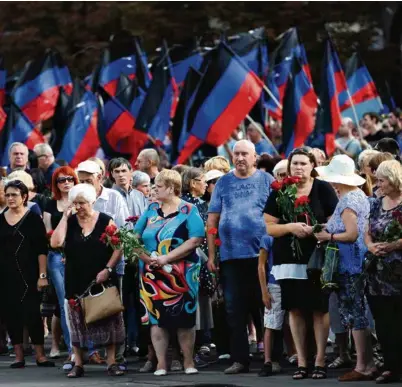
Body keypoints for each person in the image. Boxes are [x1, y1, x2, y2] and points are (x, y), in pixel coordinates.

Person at [264, 147, 338, 380]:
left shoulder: (323, 188)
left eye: (303, 163)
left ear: (312, 165)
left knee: (319, 307)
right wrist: (291, 228)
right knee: (295, 308)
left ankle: (319, 360)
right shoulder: (281, 190)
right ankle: (302, 361)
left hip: (316, 256)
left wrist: (316, 230)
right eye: (294, 163)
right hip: (288, 257)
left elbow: (335, 222)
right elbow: (268, 226)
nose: (298, 167)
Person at [207, 140, 274, 374]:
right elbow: (212, 220)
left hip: (262, 255)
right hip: (231, 255)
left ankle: (271, 358)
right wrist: (212, 254)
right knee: (234, 309)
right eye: (236, 154)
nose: (240, 158)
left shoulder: (267, 180)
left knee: (265, 307)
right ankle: (240, 359)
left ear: (255, 157)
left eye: (245, 153)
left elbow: (277, 215)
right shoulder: (223, 183)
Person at [134, 169, 205, 376]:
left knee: (185, 318)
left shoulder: (188, 210)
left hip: (182, 274)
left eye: (159, 186)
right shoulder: (151, 209)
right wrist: (145, 257)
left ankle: (188, 361)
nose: (154, 189)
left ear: (172, 188)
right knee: (156, 319)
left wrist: (166, 258)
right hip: (151, 276)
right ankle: (161, 363)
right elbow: (133, 237)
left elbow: (196, 239)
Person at [50, 184, 125, 378]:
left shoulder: (106, 220)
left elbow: (118, 246)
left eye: (82, 203)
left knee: (107, 319)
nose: (78, 206)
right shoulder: (70, 221)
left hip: (102, 278)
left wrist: (109, 268)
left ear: (92, 201)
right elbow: (56, 243)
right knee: (76, 323)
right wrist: (65, 218)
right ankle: (78, 362)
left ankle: (111, 362)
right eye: (75, 203)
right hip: (75, 278)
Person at [314, 155, 376, 381]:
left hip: (350, 264)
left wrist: (326, 235)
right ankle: (365, 362)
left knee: (355, 315)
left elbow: (351, 234)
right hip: (356, 262)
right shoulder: (358, 195)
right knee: (357, 314)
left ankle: (363, 365)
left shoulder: (348, 200)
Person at [76, 160, 129, 365]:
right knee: (86, 309)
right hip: (84, 265)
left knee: (112, 308)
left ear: (100, 177)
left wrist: (111, 265)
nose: (85, 183)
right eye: (81, 180)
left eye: (88, 179)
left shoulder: (113, 197)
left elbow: (124, 231)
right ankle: (91, 351)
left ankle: (116, 355)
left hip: (112, 263)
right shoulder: (78, 197)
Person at [0, 180, 54, 368]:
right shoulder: (0, 219)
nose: (10, 198)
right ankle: (18, 355)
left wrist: (42, 275)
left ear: (24, 197)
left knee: (33, 314)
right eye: (7, 195)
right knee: (11, 314)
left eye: (14, 194)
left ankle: (40, 355)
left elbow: (41, 249)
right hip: (6, 275)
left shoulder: (32, 219)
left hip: (30, 273)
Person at [365, 160, 402, 384]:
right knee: (383, 321)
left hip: (399, 271)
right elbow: (367, 232)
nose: (378, 184)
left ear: (395, 179)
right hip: (377, 273)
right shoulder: (377, 203)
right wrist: (370, 246)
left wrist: (395, 245)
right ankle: (391, 367)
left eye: (382, 180)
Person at [43, 166, 79, 366]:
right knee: (65, 303)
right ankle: (72, 349)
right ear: (55, 184)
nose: (66, 182)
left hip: (78, 256)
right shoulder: (50, 204)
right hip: (56, 256)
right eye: (61, 180)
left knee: (81, 301)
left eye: (70, 179)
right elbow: (48, 233)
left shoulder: (80, 202)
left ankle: (88, 347)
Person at [181, 168, 213, 368]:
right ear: (192, 183)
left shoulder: (202, 203)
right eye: (203, 180)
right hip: (191, 259)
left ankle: (202, 344)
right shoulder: (187, 205)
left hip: (198, 260)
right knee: (194, 302)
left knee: (201, 301)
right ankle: (194, 347)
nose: (206, 184)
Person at [258, 234, 285, 377]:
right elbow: (261, 264)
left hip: (292, 281)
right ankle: (267, 361)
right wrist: (264, 291)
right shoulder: (268, 237)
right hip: (275, 283)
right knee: (270, 323)